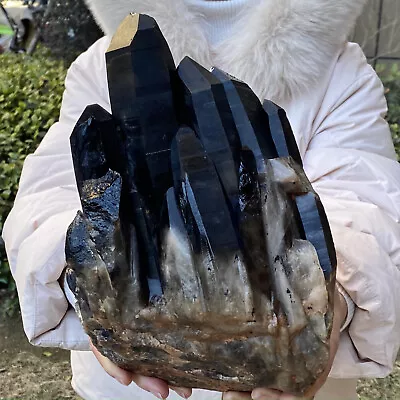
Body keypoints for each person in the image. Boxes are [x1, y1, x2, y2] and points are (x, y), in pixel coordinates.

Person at [3, 0, 400, 399]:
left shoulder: (341, 71)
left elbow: (366, 203)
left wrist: (328, 303)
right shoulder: (101, 64)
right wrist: (99, 288)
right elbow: (48, 198)